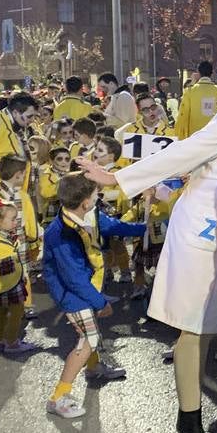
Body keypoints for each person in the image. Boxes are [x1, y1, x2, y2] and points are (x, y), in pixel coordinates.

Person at [79, 68, 217, 433]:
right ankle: (189, 417)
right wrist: (116, 178)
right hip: (204, 237)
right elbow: (180, 154)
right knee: (196, 330)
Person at [42, 172, 144, 419]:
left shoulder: (87, 215)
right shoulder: (61, 234)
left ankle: (94, 368)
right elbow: (73, 278)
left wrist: (146, 229)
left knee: (92, 335)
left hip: (86, 290)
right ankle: (58, 396)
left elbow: (115, 226)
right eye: (95, 194)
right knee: (88, 340)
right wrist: (100, 302)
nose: (99, 198)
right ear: (85, 202)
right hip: (75, 295)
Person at [0, 198, 37, 355]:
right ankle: (11, 342)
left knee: (1, 313)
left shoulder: (7, 236)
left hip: (9, 282)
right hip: (3, 285)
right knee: (15, 313)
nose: (16, 222)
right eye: (12, 219)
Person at [175, 61, 217, 139]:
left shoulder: (189, 91)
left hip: (194, 137)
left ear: (198, 73)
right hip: (214, 137)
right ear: (212, 73)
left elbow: (183, 115)